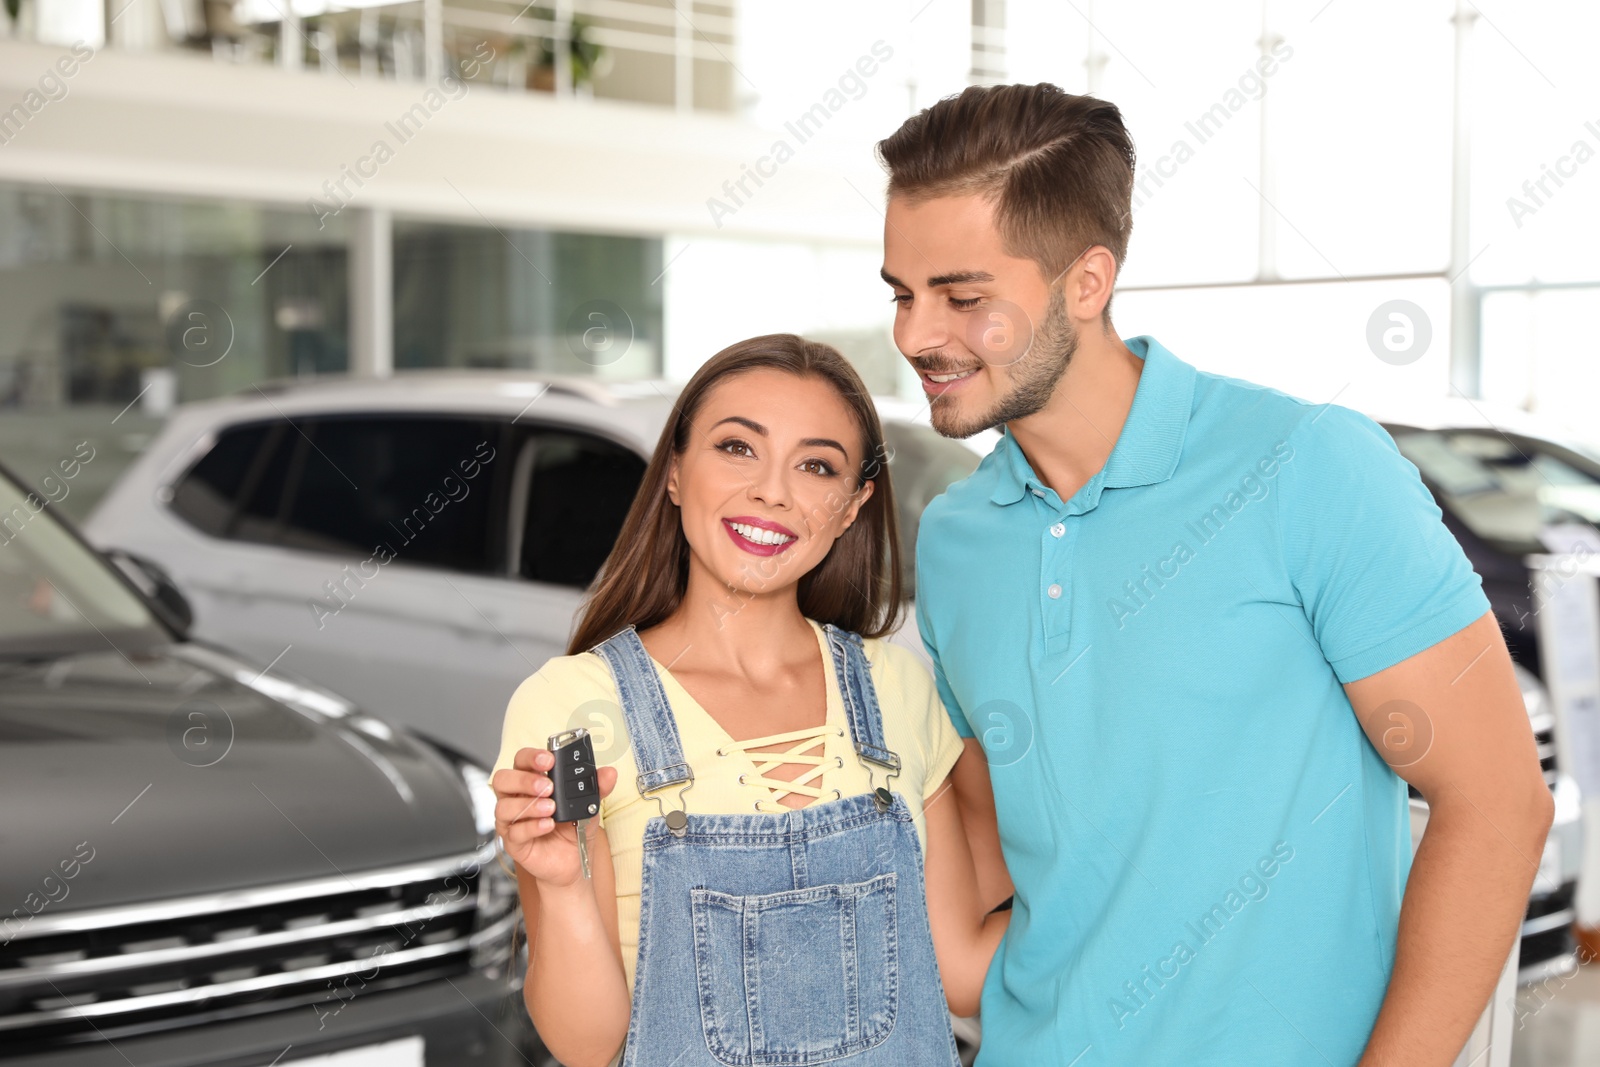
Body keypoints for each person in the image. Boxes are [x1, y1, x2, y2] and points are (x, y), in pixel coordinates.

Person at [876, 84, 1554, 1066]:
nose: (914, 335)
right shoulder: (954, 539)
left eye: (962, 297)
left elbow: (1497, 802)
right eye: (901, 292)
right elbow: (993, 869)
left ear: (1086, 281)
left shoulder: (1307, 466)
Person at [489, 334, 1012, 1067]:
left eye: (817, 465)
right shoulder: (574, 703)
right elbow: (589, 1043)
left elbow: (957, 972)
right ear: (674, 471)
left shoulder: (897, 686)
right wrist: (563, 886)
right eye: (738, 448)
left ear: (853, 506)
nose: (772, 490)